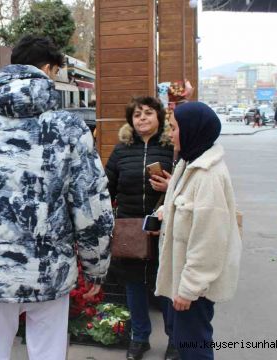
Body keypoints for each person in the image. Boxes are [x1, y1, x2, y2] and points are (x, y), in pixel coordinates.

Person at [0, 35, 113, 360]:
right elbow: (92, 207)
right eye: (56, 72)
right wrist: (95, 267)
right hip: (50, 267)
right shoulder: (69, 127)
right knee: (48, 352)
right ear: (47, 69)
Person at [155, 102, 242, 360]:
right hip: (180, 276)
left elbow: (210, 240)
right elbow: (185, 209)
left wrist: (189, 289)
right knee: (184, 340)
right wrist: (163, 216)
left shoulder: (207, 175)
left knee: (195, 347)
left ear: (192, 129)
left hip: (193, 285)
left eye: (174, 128)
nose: (170, 134)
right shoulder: (189, 163)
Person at [105, 96, 178, 360]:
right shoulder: (122, 150)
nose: (142, 118)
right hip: (130, 226)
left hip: (165, 225)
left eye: (148, 113)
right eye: (137, 114)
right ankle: (139, 337)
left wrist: (171, 187)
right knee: (134, 283)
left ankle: (174, 340)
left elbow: (190, 187)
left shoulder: (172, 148)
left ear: (159, 117)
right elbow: (107, 186)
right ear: (130, 120)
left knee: (165, 283)